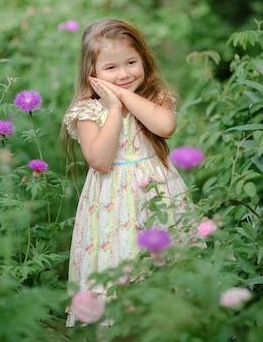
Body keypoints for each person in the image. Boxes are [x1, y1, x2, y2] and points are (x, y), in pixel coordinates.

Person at [62, 18, 192, 327]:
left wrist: (123, 97)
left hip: (157, 198)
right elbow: (100, 160)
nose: (123, 74)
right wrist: (115, 110)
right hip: (113, 204)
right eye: (111, 68)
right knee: (121, 264)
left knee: (165, 265)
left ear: (143, 60)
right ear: (92, 73)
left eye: (131, 62)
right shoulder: (89, 111)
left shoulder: (153, 97)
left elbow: (165, 126)